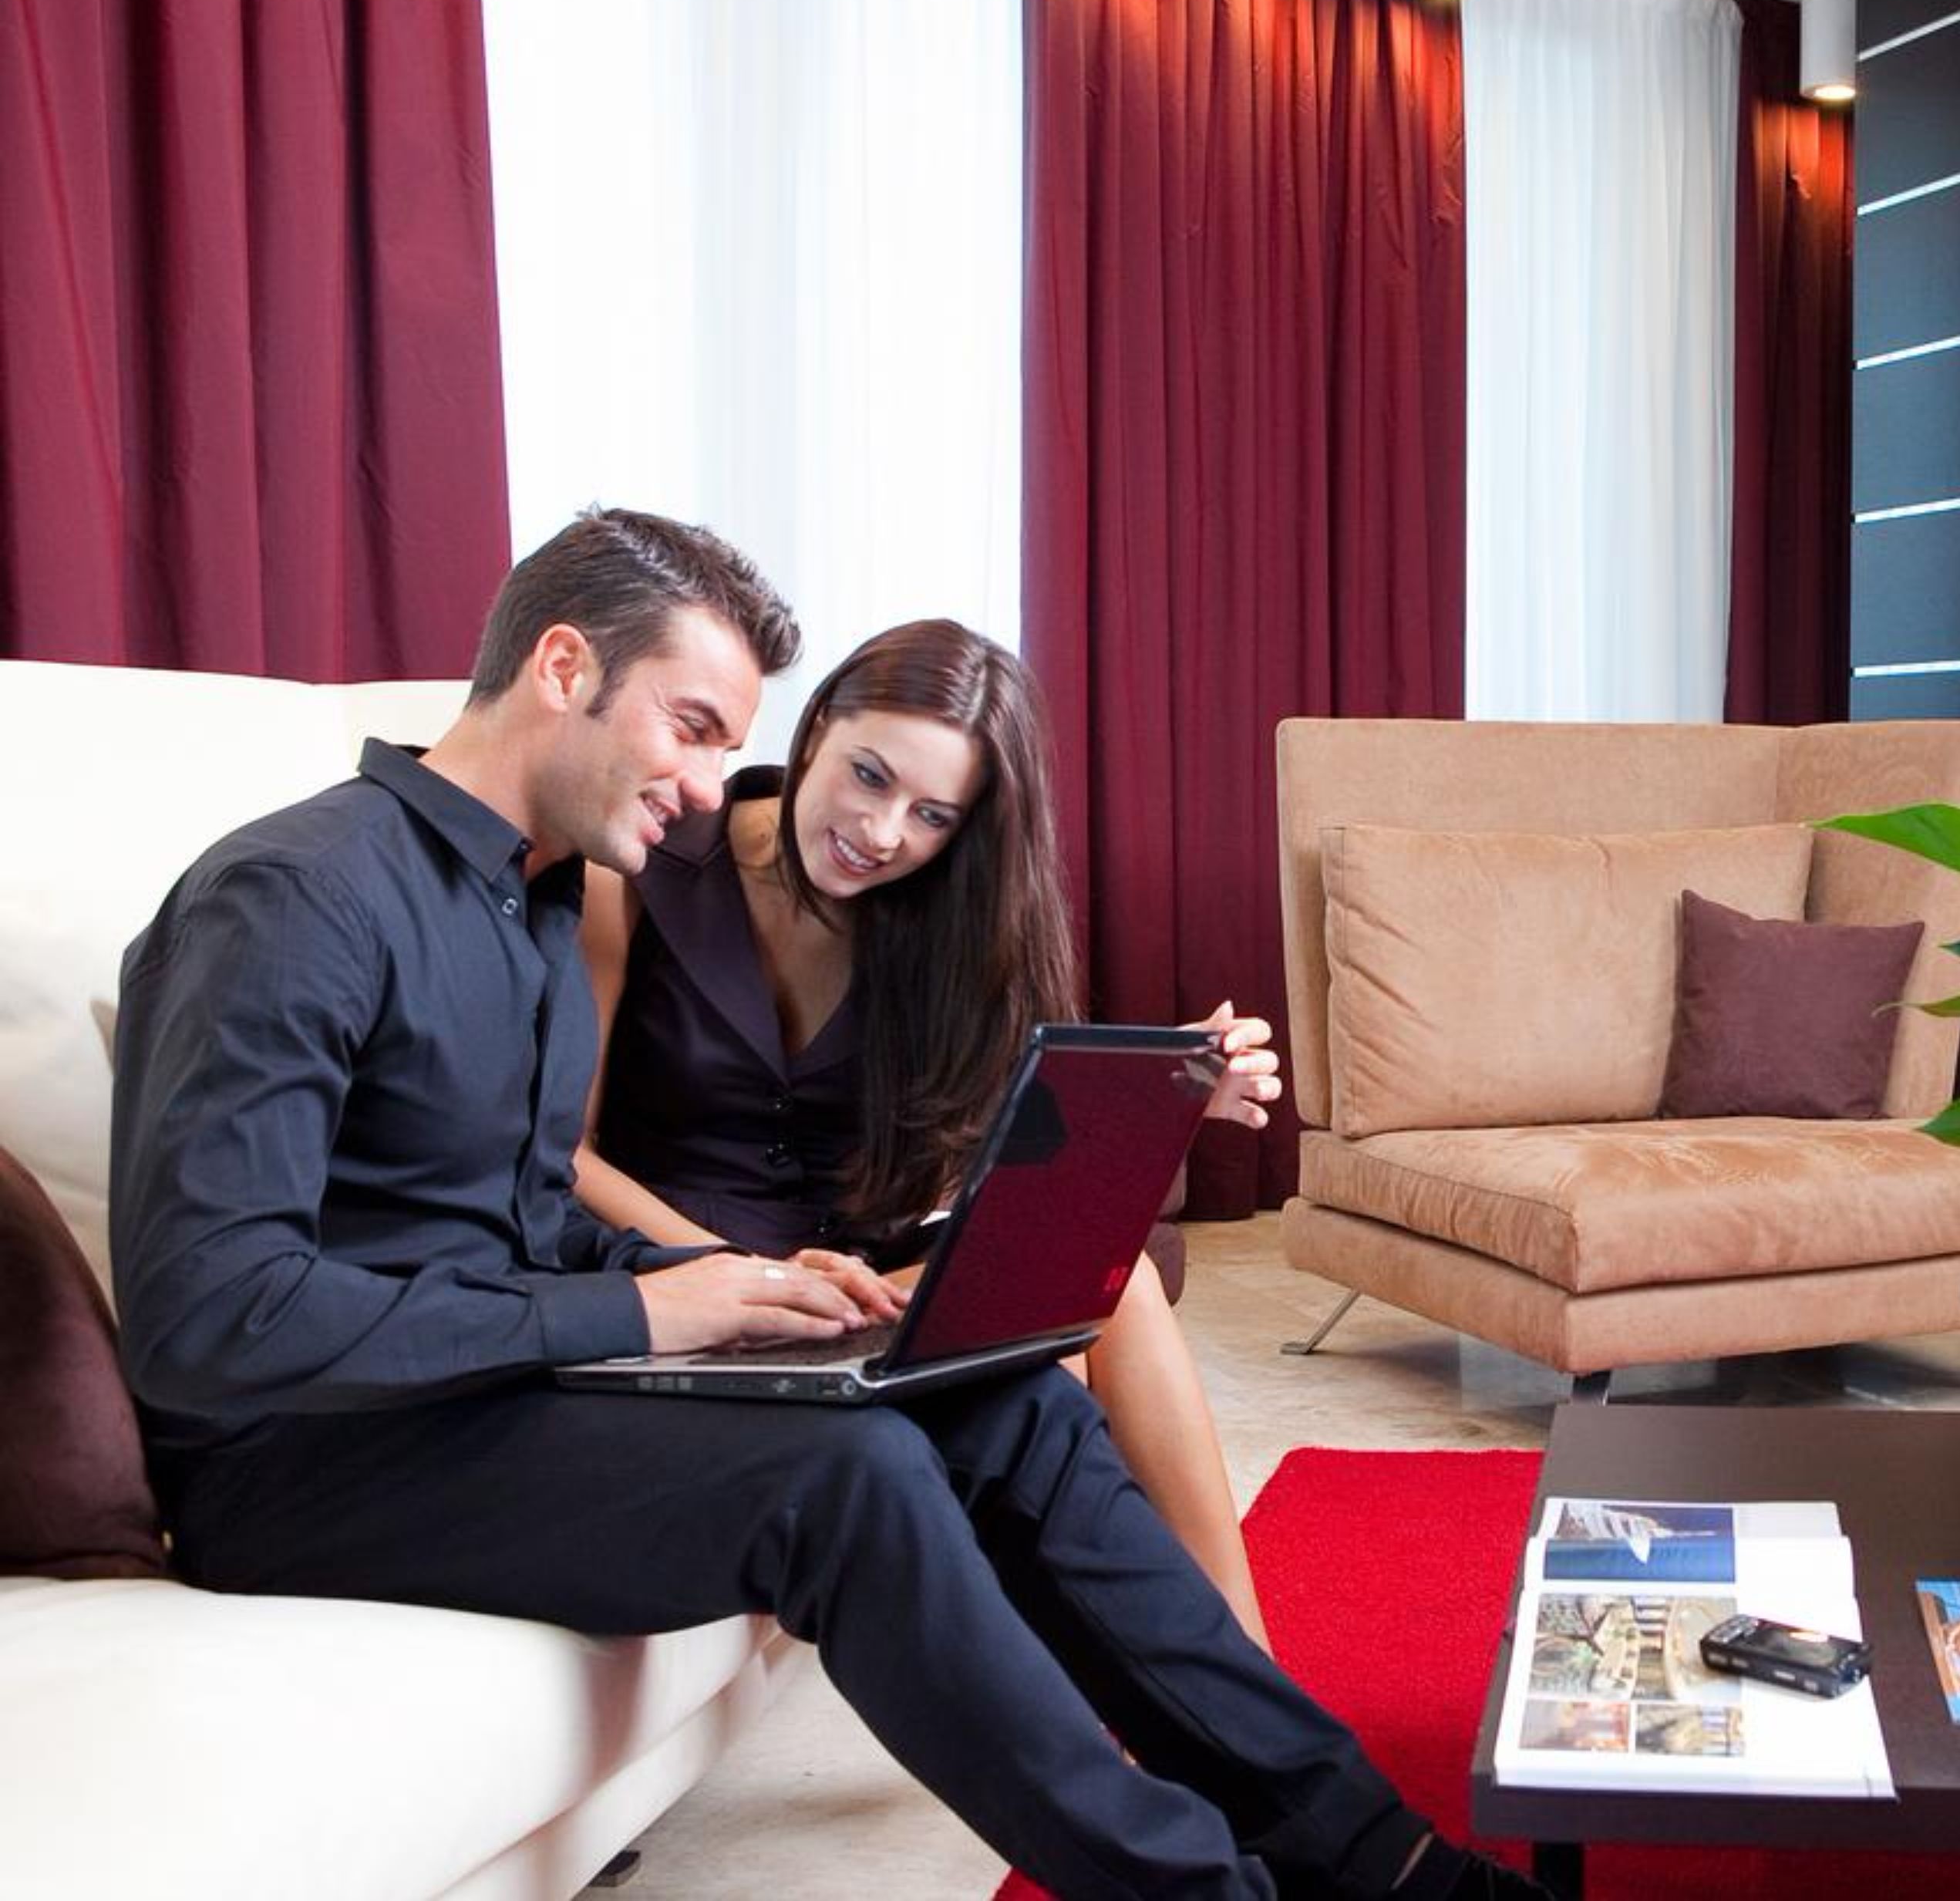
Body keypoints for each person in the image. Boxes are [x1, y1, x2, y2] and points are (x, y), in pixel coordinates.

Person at [108, 507, 1539, 1901]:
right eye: (693, 728)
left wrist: (757, 1291)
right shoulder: (292, 896)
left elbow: (517, 1210)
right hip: (301, 1461)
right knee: (846, 1479)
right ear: (562, 669)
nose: (706, 784)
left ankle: (1377, 1855)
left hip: (489, 1383)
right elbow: (207, 1320)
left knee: (1007, 1403)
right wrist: (642, 1303)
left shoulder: (528, 902)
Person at [570, 616, 1274, 1644]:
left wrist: (1156, 1093)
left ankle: (1244, 1663)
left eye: (933, 813)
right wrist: (740, 1279)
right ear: (817, 730)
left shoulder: (950, 913)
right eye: (867, 775)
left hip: (864, 1284)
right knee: (1063, 1336)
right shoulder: (637, 865)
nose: (885, 832)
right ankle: (1093, 1681)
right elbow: (562, 1151)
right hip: (689, 1288)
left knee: (1090, 1282)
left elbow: (981, 1166)